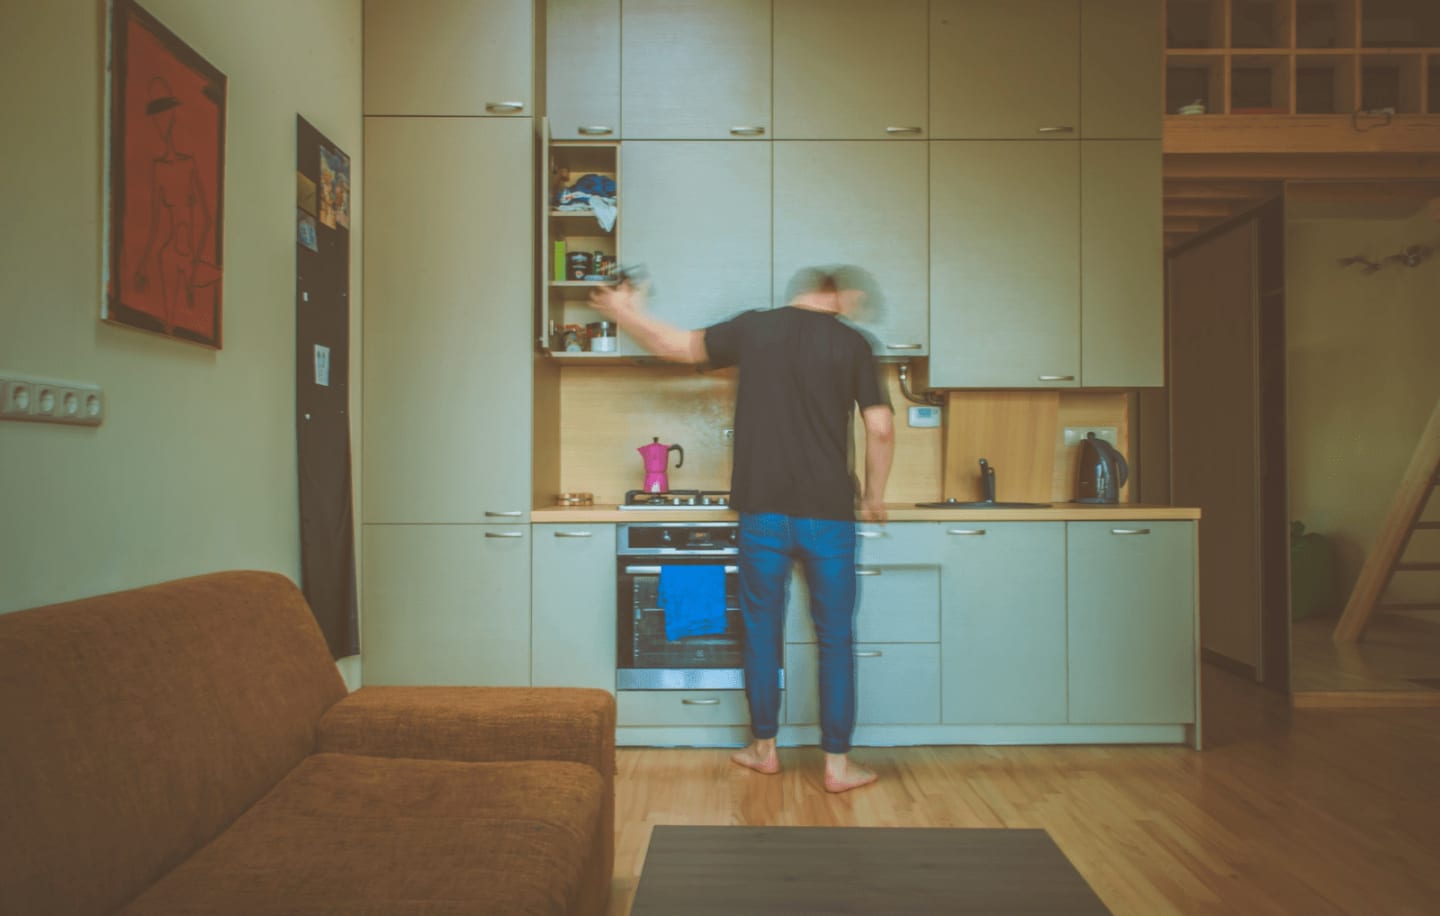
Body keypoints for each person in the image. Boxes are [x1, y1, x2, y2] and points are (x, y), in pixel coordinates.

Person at [590, 266, 895, 793]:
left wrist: (624, 311)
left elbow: (677, 346)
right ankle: (838, 767)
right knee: (836, 639)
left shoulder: (756, 328)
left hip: (763, 512)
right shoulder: (853, 344)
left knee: (761, 629)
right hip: (830, 516)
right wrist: (872, 495)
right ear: (836, 296)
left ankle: (764, 750)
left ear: (799, 292)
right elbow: (881, 428)